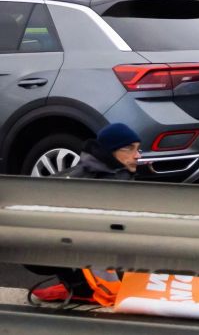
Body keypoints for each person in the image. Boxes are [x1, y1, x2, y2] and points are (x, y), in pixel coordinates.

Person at [27, 123, 142, 305]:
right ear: (110, 152)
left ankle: (86, 285)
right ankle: (84, 286)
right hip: (51, 246)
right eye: (129, 149)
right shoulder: (92, 181)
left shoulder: (114, 173)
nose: (137, 155)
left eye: (138, 149)